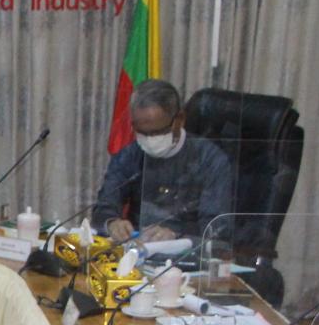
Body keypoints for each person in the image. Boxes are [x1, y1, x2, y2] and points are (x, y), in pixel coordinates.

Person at [91, 79, 234, 243]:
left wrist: (176, 235)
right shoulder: (131, 154)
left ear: (180, 120)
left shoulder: (210, 159)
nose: (149, 140)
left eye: (157, 132)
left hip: (186, 252)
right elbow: (103, 207)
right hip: (138, 249)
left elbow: (217, 229)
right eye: (141, 132)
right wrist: (112, 223)